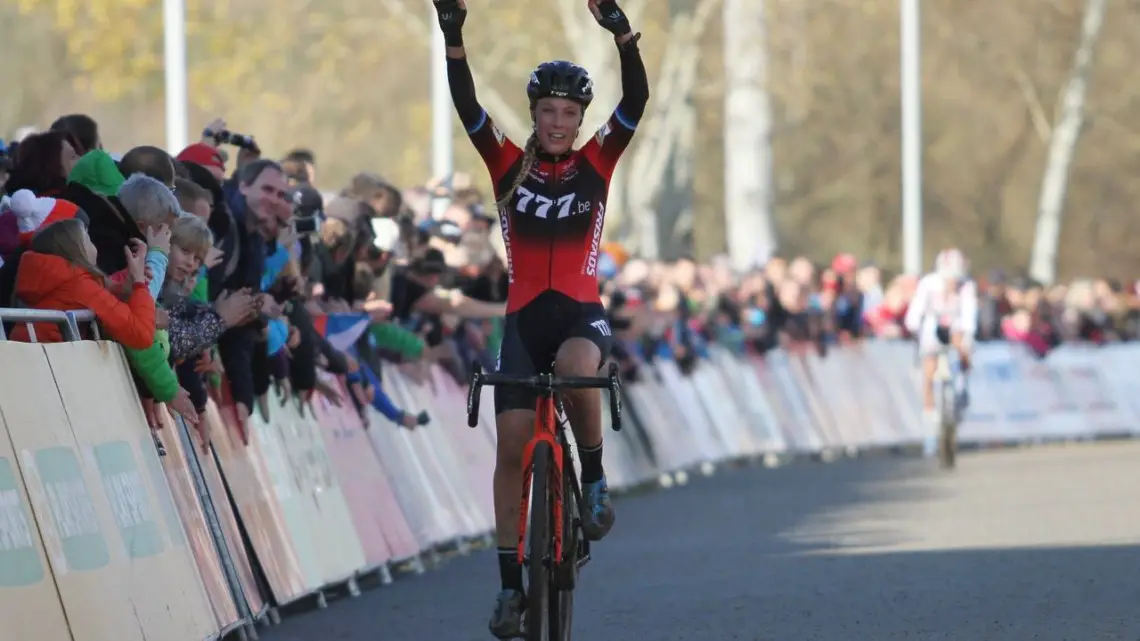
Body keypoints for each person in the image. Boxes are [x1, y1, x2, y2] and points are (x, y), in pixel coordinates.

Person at [433, 0, 648, 635]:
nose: (558, 122)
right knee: (512, 450)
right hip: (523, 321)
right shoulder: (507, 164)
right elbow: (465, 103)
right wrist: (453, 34)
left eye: (569, 113)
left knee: (581, 365)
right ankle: (508, 587)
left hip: (581, 312)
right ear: (534, 115)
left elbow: (636, 99)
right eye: (548, 111)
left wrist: (621, 35)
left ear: (581, 119)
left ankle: (597, 473)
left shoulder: (597, 161)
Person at [903, 248, 978, 455]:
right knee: (929, 372)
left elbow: (970, 318)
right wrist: (914, 328)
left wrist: (966, 343)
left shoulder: (967, 287)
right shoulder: (928, 284)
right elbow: (915, 314)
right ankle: (930, 426)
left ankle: (962, 387)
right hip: (932, 329)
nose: (952, 283)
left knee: (963, 347)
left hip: (956, 327)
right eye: (948, 278)